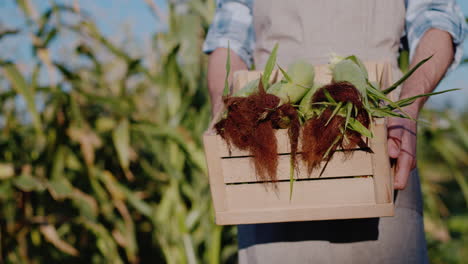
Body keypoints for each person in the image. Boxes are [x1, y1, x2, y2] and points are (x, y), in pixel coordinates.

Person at [203, 0, 467, 263]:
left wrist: (407, 108)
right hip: (269, 151)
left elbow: (438, 19)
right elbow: (229, 40)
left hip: (379, 135)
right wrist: (230, 111)